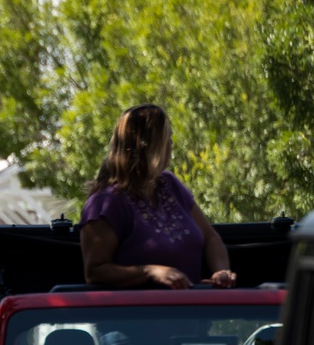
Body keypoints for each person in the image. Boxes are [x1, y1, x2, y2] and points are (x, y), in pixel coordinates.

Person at [79, 105, 236, 288]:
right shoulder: (104, 204)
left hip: (193, 311)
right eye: (167, 139)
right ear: (149, 146)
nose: (171, 145)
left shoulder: (170, 184)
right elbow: (95, 272)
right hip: (142, 314)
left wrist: (221, 271)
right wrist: (150, 271)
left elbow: (211, 238)